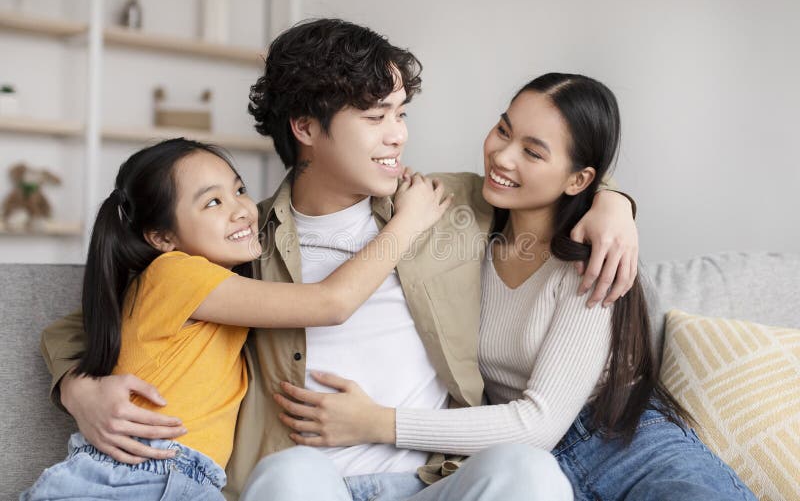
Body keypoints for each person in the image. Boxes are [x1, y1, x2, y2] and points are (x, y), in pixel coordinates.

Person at [39, 20, 638, 500]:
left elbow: (543, 183)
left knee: (529, 475)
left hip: (436, 479)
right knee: (290, 476)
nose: (398, 136)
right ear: (306, 127)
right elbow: (105, 310)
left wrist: (614, 202)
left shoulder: (443, 204)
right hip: (311, 482)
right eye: (376, 118)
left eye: (400, 114)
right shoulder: (240, 242)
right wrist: (77, 386)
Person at [272, 73, 757, 501]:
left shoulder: (590, 260)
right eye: (504, 130)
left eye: (532, 151)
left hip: (622, 443)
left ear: (578, 180)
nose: (501, 156)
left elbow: (540, 423)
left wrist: (376, 421)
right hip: (509, 457)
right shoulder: (461, 225)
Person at [23, 137, 450, 500]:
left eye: (239, 189)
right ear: (162, 238)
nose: (242, 209)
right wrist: (407, 224)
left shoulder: (221, 278)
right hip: (130, 477)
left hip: (190, 480)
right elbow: (330, 303)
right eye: (212, 202)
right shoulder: (176, 274)